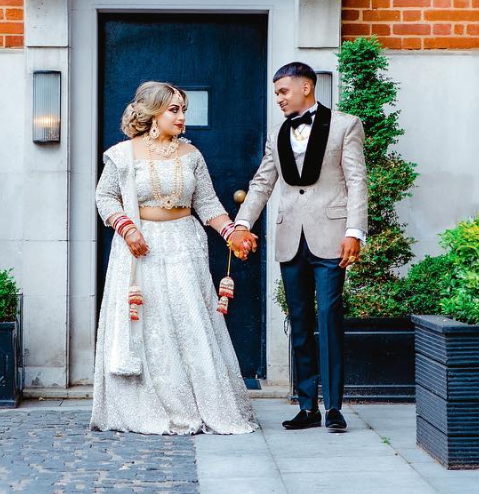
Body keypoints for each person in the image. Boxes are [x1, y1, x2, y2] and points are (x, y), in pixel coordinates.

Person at [91, 81, 257, 435]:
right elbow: (105, 197)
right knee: (150, 326)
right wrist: (127, 228)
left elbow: (208, 203)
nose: (182, 117)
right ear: (153, 113)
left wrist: (232, 233)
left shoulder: (192, 155)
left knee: (189, 323)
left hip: (184, 245)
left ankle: (200, 404)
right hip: (140, 248)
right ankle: (149, 405)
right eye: (174, 110)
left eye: (184, 110)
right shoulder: (122, 154)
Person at [230, 62, 369, 433]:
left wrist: (355, 231)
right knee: (301, 323)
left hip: (332, 236)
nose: (278, 98)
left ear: (306, 87)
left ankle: (334, 407)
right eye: (276, 92)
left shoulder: (345, 125)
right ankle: (307, 405)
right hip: (290, 238)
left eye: (283, 91)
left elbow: (357, 182)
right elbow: (262, 183)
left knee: (329, 317)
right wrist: (242, 224)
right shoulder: (278, 132)